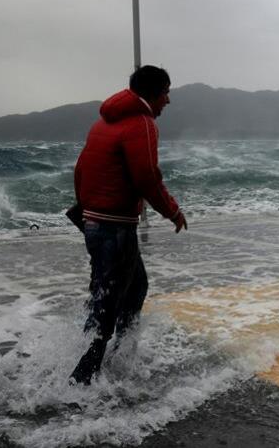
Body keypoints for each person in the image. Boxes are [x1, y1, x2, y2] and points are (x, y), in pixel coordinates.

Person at [69, 65, 187, 385]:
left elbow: (81, 169)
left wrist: (87, 209)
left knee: (130, 289)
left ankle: (120, 358)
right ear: (154, 92)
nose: (168, 101)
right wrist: (173, 211)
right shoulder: (141, 123)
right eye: (166, 93)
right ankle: (81, 380)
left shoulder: (103, 122)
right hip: (115, 228)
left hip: (96, 222)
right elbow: (147, 177)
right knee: (109, 303)